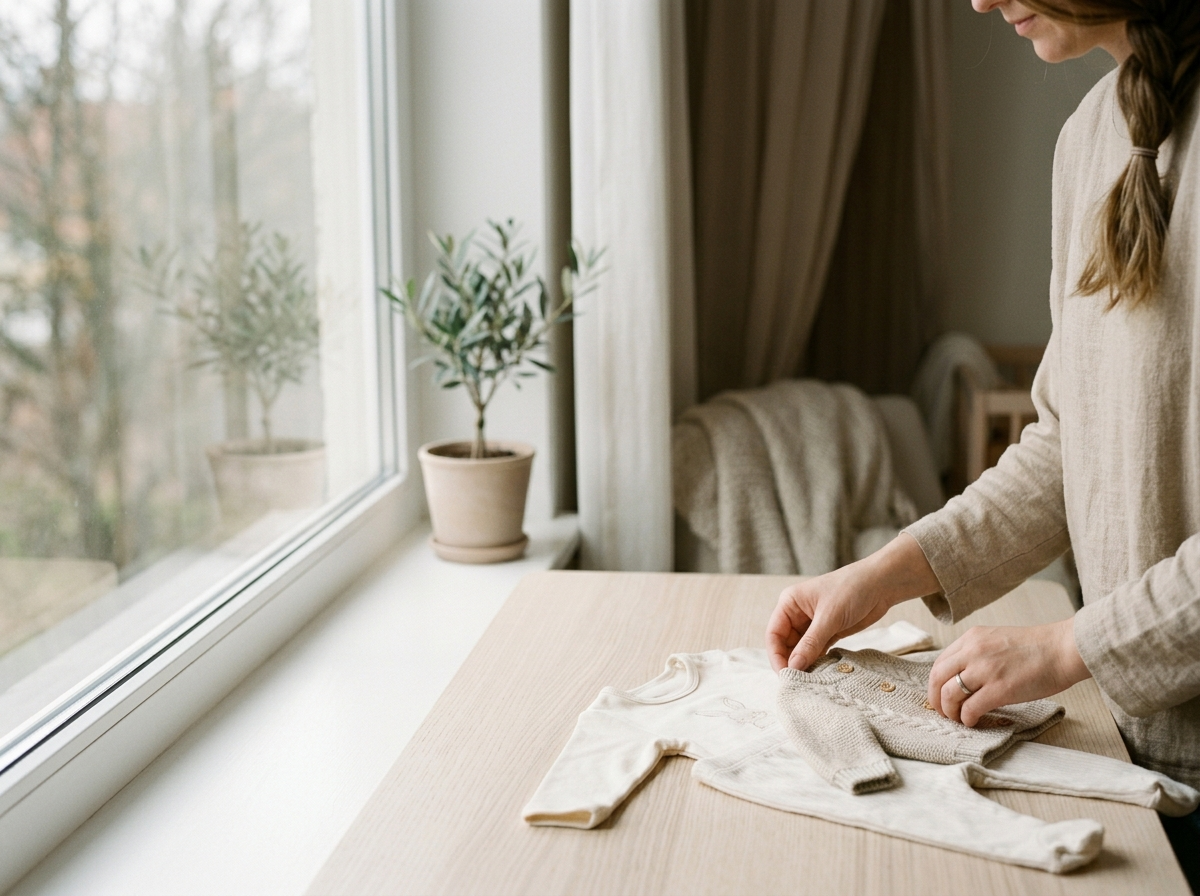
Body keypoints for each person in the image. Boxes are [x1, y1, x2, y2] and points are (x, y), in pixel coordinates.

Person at [765, 0, 1200, 888]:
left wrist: (1066, 647)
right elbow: (1066, 443)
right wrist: (883, 577)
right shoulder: (1087, 140)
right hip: (1144, 756)